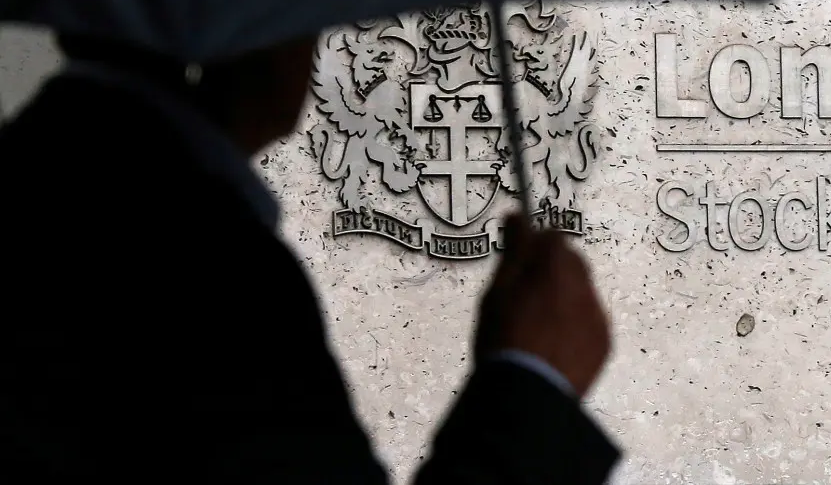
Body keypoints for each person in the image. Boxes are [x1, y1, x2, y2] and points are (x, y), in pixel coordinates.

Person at [0, 33, 619, 483]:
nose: (318, 45)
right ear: (250, 30)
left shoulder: (41, 188)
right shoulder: (197, 269)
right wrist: (533, 382)